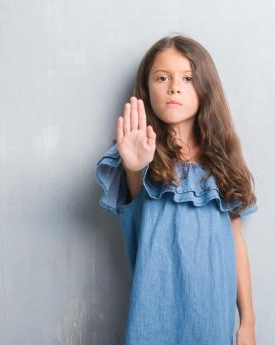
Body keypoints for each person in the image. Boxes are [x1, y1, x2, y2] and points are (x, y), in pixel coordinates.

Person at [94, 34, 258, 345]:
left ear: (205, 87)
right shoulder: (135, 154)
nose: (174, 87)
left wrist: (247, 320)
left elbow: (235, 239)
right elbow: (134, 211)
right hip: (154, 315)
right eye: (162, 77)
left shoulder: (221, 160)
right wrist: (134, 166)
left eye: (188, 77)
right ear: (146, 87)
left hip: (213, 315)